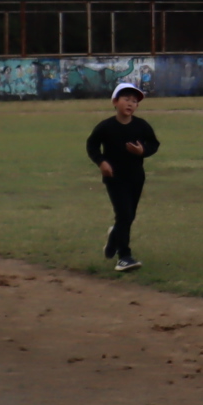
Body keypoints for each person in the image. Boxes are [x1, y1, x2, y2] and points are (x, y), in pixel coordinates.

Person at [87, 80, 159, 272]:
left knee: (128, 216)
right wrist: (101, 162)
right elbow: (92, 145)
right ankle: (124, 257)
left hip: (136, 177)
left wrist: (142, 150)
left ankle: (114, 237)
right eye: (126, 99)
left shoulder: (141, 126)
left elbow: (154, 144)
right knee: (124, 215)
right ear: (115, 102)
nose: (130, 104)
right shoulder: (106, 127)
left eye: (134, 101)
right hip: (114, 177)